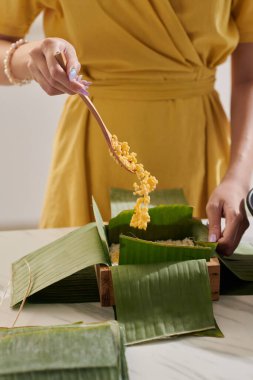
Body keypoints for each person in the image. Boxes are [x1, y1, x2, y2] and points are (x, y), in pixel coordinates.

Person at [0, 1, 252, 256]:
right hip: (88, 154)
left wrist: (238, 179)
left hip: (200, 151)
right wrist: (28, 57)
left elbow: (249, 77)